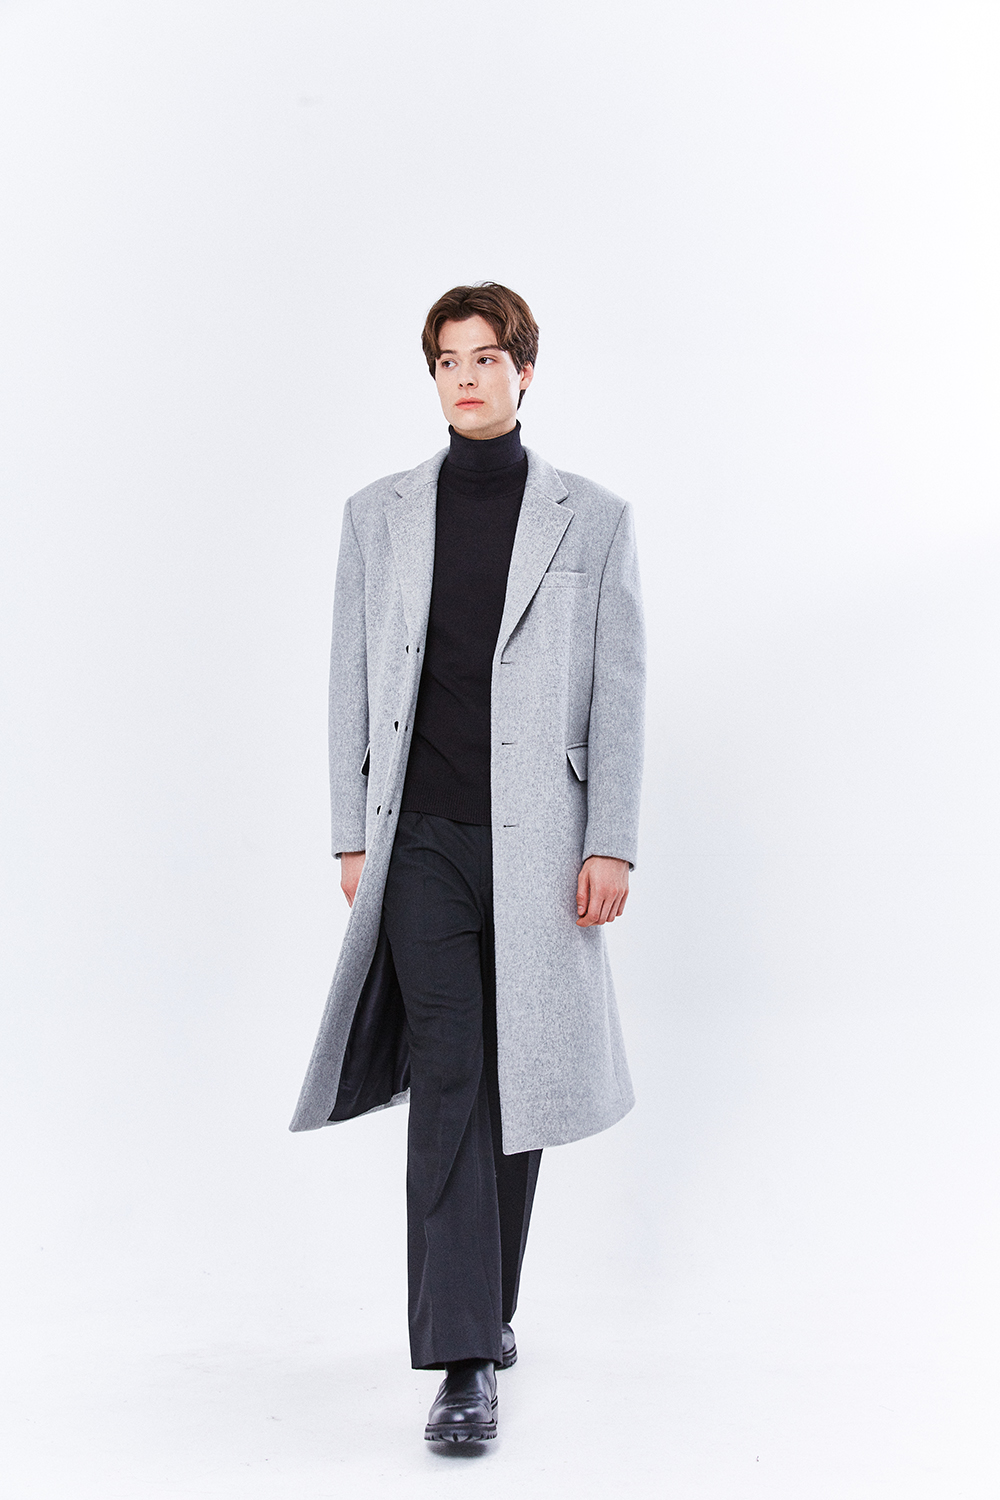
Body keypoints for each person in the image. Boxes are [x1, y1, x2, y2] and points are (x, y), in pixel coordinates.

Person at [290, 282, 645, 1446]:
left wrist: (610, 839)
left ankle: (489, 1310)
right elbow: (347, 676)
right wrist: (352, 832)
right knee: (451, 1073)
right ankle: (461, 1363)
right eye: (447, 361)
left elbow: (619, 689)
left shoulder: (592, 519)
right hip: (421, 843)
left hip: (543, 846)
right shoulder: (376, 515)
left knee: (518, 1075)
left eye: (485, 358)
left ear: (523, 371)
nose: (465, 377)